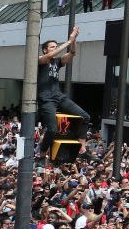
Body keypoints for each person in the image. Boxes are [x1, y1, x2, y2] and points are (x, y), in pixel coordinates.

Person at [35, 27, 95, 161]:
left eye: (56, 47)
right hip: (46, 98)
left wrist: (73, 40)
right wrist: (68, 41)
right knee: (52, 130)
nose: (55, 49)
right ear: (45, 49)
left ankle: (82, 149)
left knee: (85, 116)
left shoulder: (58, 62)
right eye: (52, 47)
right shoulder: (40, 59)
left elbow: (72, 53)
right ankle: (41, 154)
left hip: (58, 96)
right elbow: (50, 56)